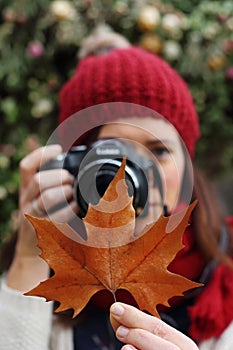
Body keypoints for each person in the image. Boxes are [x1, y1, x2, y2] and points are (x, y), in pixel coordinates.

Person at [0, 28, 233, 350]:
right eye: (114, 152)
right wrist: (30, 255)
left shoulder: (225, 280)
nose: (134, 172)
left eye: (159, 152)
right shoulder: (38, 273)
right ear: (75, 167)